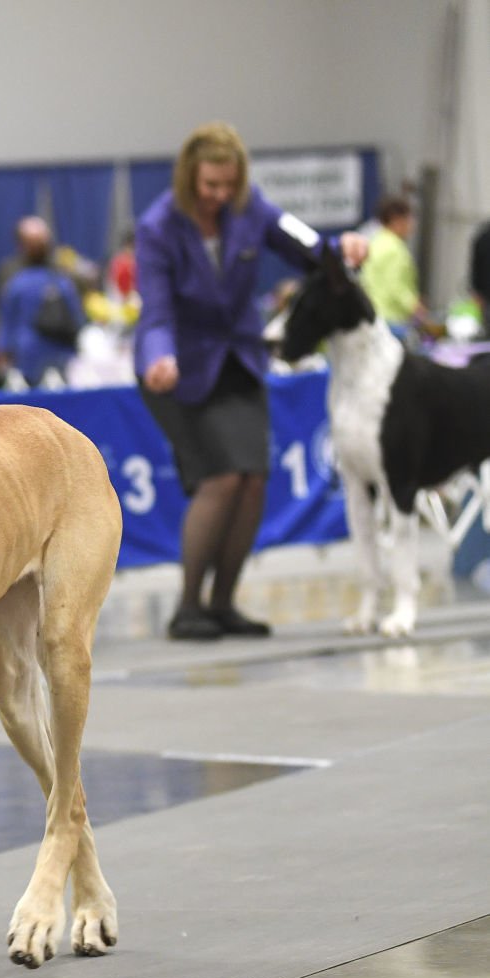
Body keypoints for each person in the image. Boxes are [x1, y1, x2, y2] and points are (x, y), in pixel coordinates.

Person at [135, 121, 367, 641]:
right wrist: (159, 355)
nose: (219, 195)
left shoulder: (252, 208)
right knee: (221, 478)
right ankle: (188, 606)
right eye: (209, 185)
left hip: (239, 360)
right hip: (178, 370)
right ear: (188, 177)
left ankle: (223, 604)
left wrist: (346, 246)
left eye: (227, 185)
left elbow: (311, 246)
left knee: (254, 478)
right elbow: (155, 310)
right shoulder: (158, 227)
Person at [0, 216, 85, 385]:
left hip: (28, 359)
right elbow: (77, 319)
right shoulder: (63, 282)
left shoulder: (16, 284)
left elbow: (7, 327)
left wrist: (3, 356)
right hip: (62, 355)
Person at [359, 194, 423, 330]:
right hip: (392, 319)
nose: (412, 224)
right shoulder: (395, 249)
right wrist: (415, 306)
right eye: (409, 218)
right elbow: (396, 286)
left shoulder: (375, 242)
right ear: (396, 220)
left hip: (373, 315)